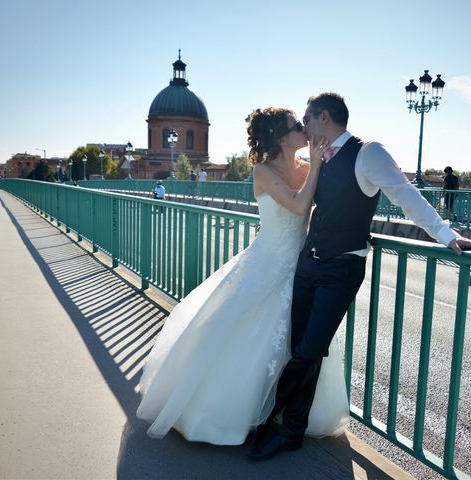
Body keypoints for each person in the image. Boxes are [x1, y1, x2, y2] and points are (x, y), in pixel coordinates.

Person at [248, 92, 471, 461]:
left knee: (309, 350)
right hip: (307, 264)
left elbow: (406, 195)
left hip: (341, 268)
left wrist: (446, 234)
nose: (303, 128)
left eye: (307, 121)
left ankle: (276, 426)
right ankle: (289, 427)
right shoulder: (318, 157)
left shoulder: (369, 153)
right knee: (301, 350)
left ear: (324, 118)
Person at [136, 107, 349, 445]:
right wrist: (318, 165)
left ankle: (286, 412)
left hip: (301, 264)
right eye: (296, 125)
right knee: (247, 335)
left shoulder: (308, 168)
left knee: (299, 341)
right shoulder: (262, 171)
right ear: (280, 137)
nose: (303, 129)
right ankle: (228, 414)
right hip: (268, 261)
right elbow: (297, 205)